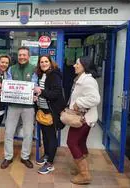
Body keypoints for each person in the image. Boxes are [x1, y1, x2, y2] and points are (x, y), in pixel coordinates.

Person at [0, 46, 36, 169]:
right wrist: (4, 90)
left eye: (24, 55)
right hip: (13, 106)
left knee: (28, 133)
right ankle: (8, 157)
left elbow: (34, 84)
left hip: (28, 107)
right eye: (20, 55)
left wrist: (35, 92)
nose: (22, 57)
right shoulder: (11, 69)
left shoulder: (34, 69)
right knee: (9, 132)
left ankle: (25, 157)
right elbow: (9, 84)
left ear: (28, 56)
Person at [66, 56, 100, 184]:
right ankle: (81, 168)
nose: (74, 65)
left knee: (72, 142)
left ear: (84, 66)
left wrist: (79, 103)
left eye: (77, 64)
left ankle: (85, 174)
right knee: (80, 143)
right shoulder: (82, 78)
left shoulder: (88, 81)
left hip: (84, 118)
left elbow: (95, 99)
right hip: (84, 117)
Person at [33, 55, 65, 174]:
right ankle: (46, 155)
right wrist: (37, 97)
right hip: (42, 110)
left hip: (52, 111)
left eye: (46, 61)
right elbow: (42, 92)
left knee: (51, 137)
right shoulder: (41, 74)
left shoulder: (54, 75)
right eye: (41, 62)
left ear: (51, 63)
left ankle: (50, 163)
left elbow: (55, 94)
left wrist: (41, 92)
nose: (44, 63)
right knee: (45, 135)